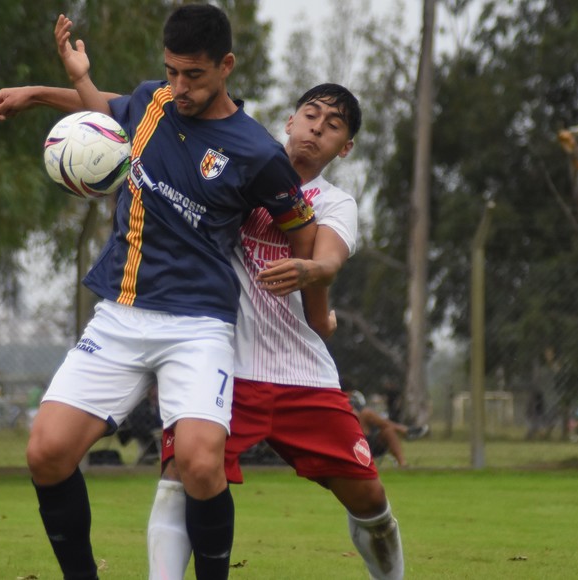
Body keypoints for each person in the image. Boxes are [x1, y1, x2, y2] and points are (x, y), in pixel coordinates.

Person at [0, 6, 317, 580]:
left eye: (194, 75)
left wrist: (310, 273)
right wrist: (38, 92)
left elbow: (303, 229)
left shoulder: (257, 152)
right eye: (170, 72)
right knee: (47, 453)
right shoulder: (154, 101)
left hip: (199, 325)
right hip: (121, 314)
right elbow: (108, 110)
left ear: (226, 66)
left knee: (200, 464)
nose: (179, 88)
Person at [149, 84, 405, 580]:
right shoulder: (240, 169)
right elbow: (146, 114)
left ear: (344, 147)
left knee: (370, 498)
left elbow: (328, 258)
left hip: (302, 375)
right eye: (310, 115)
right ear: (289, 121)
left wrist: (313, 272)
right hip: (221, 365)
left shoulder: (335, 202)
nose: (316, 128)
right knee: (181, 473)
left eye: (333, 126)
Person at [349, 390, 429, 467]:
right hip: (354, 444)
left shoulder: (352, 400)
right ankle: (405, 431)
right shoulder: (342, 405)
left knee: (388, 430)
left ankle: (403, 465)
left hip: (369, 442)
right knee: (366, 413)